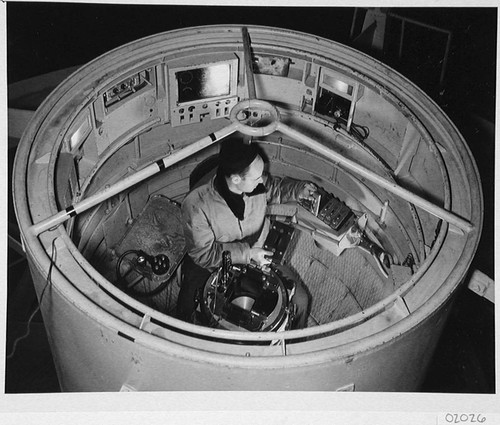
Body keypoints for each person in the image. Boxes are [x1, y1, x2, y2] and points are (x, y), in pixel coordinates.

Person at [177, 136, 317, 328]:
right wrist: (247, 254)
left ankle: (290, 347)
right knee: (185, 315)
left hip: (257, 252)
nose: (262, 181)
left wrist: (298, 190)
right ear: (236, 179)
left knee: (300, 300)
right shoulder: (197, 205)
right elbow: (204, 254)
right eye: (257, 177)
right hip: (213, 261)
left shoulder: (256, 184)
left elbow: (275, 187)